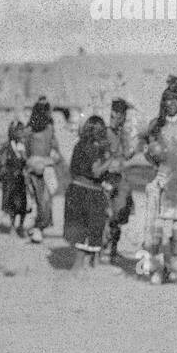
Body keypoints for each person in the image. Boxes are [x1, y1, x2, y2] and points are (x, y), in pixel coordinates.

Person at [136, 77, 177, 284]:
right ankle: (158, 268)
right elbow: (145, 149)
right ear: (163, 102)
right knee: (158, 230)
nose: (172, 104)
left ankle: (175, 268)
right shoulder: (155, 124)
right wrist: (152, 154)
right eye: (167, 100)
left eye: (176, 99)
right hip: (160, 180)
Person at [63, 115, 114, 270]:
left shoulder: (79, 144)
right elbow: (96, 172)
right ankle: (83, 267)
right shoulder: (94, 147)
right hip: (88, 192)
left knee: (79, 230)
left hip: (75, 189)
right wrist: (110, 161)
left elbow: (73, 170)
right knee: (90, 231)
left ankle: (82, 266)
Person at [100, 98, 136, 262]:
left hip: (121, 178)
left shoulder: (124, 133)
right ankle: (102, 249)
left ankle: (113, 250)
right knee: (105, 214)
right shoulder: (104, 133)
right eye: (117, 115)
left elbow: (128, 154)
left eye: (122, 115)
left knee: (120, 213)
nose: (119, 118)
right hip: (106, 178)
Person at [23, 96, 62, 244]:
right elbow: (26, 149)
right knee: (36, 201)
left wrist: (52, 157)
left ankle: (38, 228)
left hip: (46, 167)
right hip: (33, 168)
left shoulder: (49, 129)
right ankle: (36, 228)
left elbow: (54, 147)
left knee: (45, 200)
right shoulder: (29, 130)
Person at [0, 120, 31, 236]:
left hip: (21, 178)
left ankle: (21, 225)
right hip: (11, 178)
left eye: (22, 131)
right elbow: (2, 160)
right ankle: (12, 225)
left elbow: (26, 160)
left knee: (22, 204)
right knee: (12, 203)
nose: (21, 133)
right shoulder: (8, 146)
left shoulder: (23, 146)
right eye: (19, 131)